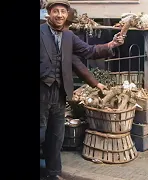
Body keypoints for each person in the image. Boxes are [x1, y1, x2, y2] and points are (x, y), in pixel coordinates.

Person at [40, 1, 125, 179]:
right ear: (49, 13)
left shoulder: (69, 36)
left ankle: (53, 173)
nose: (60, 15)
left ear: (67, 14)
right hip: (41, 92)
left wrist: (111, 45)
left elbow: (89, 51)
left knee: (56, 137)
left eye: (63, 11)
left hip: (60, 93)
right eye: (56, 11)